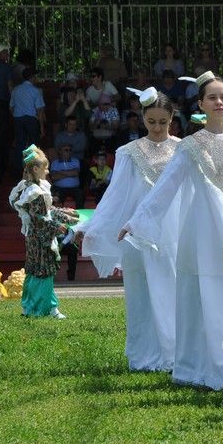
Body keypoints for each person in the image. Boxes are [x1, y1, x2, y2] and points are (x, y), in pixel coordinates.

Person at [121, 71, 223, 389]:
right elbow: (165, 188)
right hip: (204, 229)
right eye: (212, 97)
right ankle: (215, 361)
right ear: (201, 104)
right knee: (210, 292)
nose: (219, 102)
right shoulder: (190, 146)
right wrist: (137, 221)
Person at [75, 89, 180, 372]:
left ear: (172, 118)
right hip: (134, 232)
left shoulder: (183, 149)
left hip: (174, 228)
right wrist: (91, 225)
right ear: (142, 119)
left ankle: (175, 352)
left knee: (173, 289)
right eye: (151, 121)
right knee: (140, 292)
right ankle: (144, 354)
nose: (157, 128)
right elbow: (115, 195)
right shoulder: (128, 152)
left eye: (163, 122)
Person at [8, 146, 78, 319]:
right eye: (45, 167)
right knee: (43, 271)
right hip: (40, 238)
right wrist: (57, 227)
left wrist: (65, 214)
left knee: (34, 271)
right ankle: (43, 308)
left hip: (34, 236)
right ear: (35, 169)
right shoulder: (34, 192)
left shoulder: (34, 187)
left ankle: (33, 307)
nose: (47, 171)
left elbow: (47, 210)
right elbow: (39, 218)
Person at [9, 67, 46, 171]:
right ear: (32, 77)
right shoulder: (35, 91)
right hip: (31, 119)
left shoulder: (16, 90)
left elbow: (11, 107)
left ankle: (17, 168)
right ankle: (31, 168)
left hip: (18, 119)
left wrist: (15, 116)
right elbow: (39, 110)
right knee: (33, 144)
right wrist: (41, 126)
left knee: (20, 144)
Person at [49, 144, 84, 209]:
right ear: (60, 151)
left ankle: (81, 214)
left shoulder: (75, 161)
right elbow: (54, 177)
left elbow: (75, 173)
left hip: (74, 188)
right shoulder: (55, 163)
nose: (69, 152)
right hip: (59, 188)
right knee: (56, 198)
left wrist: (60, 172)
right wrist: (70, 173)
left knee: (81, 195)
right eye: (66, 150)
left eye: (70, 150)